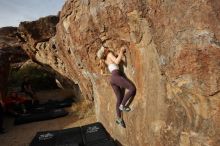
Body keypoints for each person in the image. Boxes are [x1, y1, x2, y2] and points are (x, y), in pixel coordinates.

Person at [97, 45, 136, 128]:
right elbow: (117, 62)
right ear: (105, 51)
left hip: (112, 78)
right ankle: (123, 105)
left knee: (119, 98)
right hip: (116, 76)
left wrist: (110, 74)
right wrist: (121, 51)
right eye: (105, 48)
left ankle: (119, 119)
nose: (107, 47)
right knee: (132, 89)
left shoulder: (103, 60)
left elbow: (102, 73)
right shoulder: (109, 54)